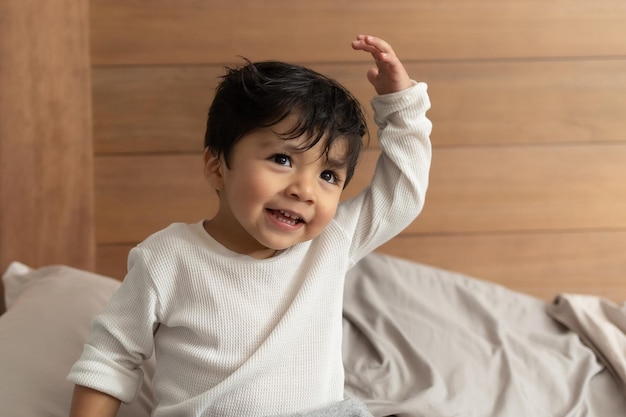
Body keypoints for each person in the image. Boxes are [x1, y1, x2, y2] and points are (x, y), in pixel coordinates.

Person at [68, 34, 432, 417]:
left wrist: (401, 106)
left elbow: (402, 194)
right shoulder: (168, 257)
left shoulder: (330, 241)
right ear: (216, 166)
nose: (304, 190)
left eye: (328, 175)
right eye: (281, 159)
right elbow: (110, 358)